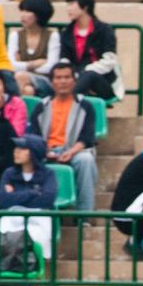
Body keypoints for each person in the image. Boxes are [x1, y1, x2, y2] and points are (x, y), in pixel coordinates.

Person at [26, 61, 99, 212]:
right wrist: (45, 152)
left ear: (74, 80)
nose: (63, 81)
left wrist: (71, 152)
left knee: (86, 160)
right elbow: (34, 137)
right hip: (47, 152)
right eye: (58, 78)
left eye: (67, 77)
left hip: (74, 151)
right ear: (52, 82)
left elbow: (87, 138)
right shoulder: (42, 107)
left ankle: (84, 215)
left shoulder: (85, 106)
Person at [0, 134, 58, 257]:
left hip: (38, 218)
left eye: (22, 148)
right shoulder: (9, 173)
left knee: (37, 237)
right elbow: (4, 200)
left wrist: (15, 196)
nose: (16, 152)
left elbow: (47, 200)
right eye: (16, 148)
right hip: (12, 216)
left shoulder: (48, 174)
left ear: (34, 153)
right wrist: (34, 193)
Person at [59, 0, 123, 102]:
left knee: (89, 75)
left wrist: (84, 72)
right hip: (75, 80)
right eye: (67, 4)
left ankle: (64, 105)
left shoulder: (104, 30)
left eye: (72, 4)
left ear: (85, 6)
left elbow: (109, 61)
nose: (68, 9)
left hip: (103, 82)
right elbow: (64, 59)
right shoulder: (67, 32)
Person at [8, 0, 60, 99]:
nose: (23, 15)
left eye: (28, 12)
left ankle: (12, 113)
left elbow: (50, 67)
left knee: (20, 76)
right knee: (28, 90)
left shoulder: (52, 36)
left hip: (45, 81)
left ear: (39, 14)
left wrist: (21, 66)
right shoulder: (15, 36)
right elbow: (10, 64)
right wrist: (33, 64)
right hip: (21, 81)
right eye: (22, 11)